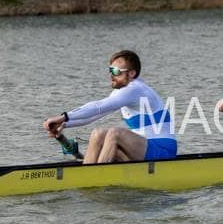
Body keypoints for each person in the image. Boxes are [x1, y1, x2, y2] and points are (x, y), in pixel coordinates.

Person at [43, 50, 176, 164]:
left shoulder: (135, 89)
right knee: (98, 134)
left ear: (131, 73)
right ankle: (87, 173)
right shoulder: (122, 92)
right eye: (110, 70)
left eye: (116, 71)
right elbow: (94, 115)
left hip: (162, 150)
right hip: (141, 148)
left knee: (115, 133)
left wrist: (63, 117)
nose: (111, 75)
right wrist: (64, 124)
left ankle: (97, 175)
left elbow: (98, 107)